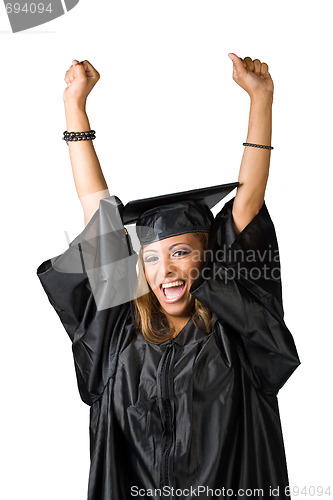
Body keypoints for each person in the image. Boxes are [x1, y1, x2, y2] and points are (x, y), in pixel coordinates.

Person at [37, 54, 300, 500]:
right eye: (151, 258)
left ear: (209, 259)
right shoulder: (117, 333)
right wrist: (75, 107)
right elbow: (98, 215)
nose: (166, 269)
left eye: (181, 252)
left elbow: (248, 202)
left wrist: (261, 99)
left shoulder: (236, 333)